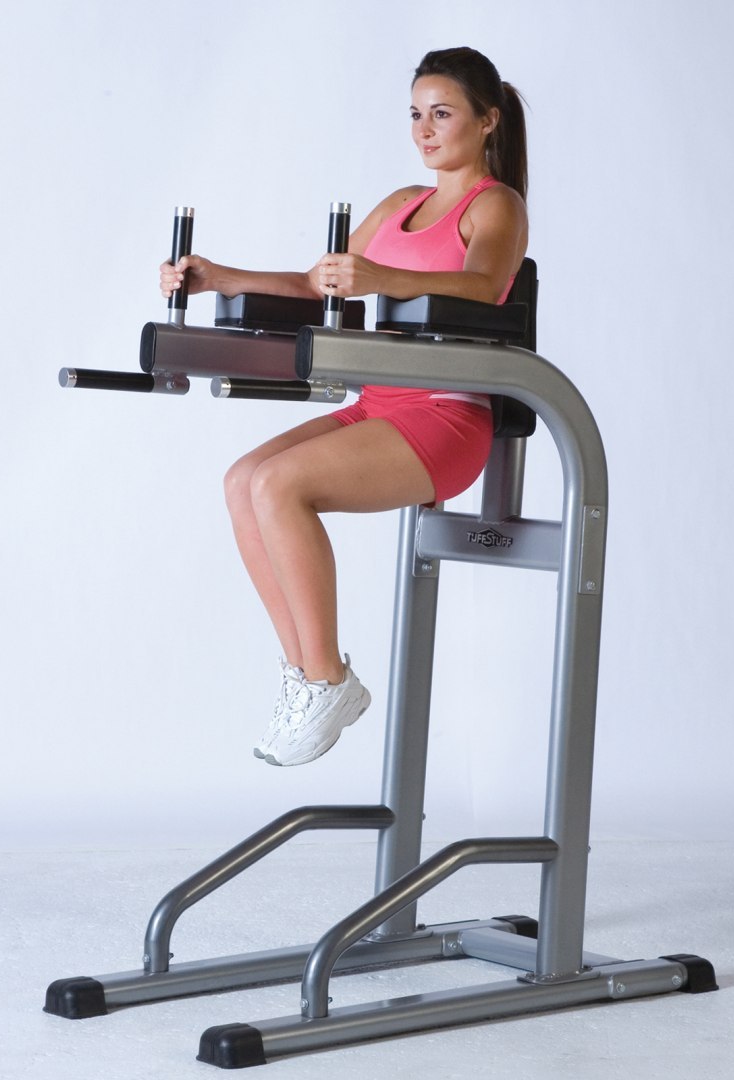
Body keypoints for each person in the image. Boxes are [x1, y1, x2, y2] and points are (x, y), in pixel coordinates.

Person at [160, 46, 529, 767]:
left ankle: (327, 678)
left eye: (442, 113)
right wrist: (218, 276)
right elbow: (316, 284)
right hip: (382, 403)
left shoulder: (496, 205)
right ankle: (309, 678)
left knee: (280, 484)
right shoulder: (400, 204)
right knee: (243, 481)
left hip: (446, 417)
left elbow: (486, 285)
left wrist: (379, 275)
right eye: (416, 115)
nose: (425, 130)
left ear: (487, 120)